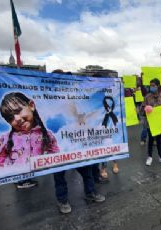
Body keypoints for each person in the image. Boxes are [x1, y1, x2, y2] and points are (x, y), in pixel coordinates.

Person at [51, 69, 105, 214]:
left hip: (78, 142)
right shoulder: (50, 98)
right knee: (59, 174)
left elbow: (83, 112)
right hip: (60, 144)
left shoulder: (76, 96)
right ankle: (62, 200)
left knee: (86, 169)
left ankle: (90, 193)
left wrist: (82, 116)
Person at [0, 92, 59, 189]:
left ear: (31, 106)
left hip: (39, 178)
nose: (17, 118)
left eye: (18, 111)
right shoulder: (5, 139)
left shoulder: (46, 135)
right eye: (10, 118)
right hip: (17, 177)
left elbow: (55, 154)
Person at [141, 78, 161, 166]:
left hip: (160, 122)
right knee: (150, 140)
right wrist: (145, 109)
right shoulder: (147, 97)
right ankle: (149, 157)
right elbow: (142, 110)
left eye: (153, 85)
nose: (151, 87)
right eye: (150, 85)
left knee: (159, 140)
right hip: (151, 123)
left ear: (158, 86)